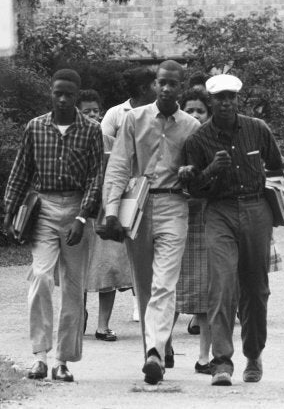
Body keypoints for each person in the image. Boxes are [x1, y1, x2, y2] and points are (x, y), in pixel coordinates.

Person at [102, 60, 201, 385]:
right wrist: (112, 211)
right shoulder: (134, 119)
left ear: (180, 87)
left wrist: (192, 175)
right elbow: (118, 167)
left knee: (164, 281)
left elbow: (198, 174)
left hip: (174, 203)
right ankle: (160, 343)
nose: (167, 88)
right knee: (144, 284)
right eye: (162, 82)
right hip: (138, 205)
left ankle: (154, 354)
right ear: (155, 84)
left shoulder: (191, 127)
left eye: (173, 83)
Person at [3, 69, 104, 382]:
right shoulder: (35, 127)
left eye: (69, 94)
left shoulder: (90, 130)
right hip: (43, 207)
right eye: (57, 92)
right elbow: (21, 169)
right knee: (42, 278)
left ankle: (62, 360)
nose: (62, 98)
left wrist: (83, 216)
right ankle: (40, 357)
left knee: (74, 289)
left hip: (76, 209)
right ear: (51, 93)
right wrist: (10, 211)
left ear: (76, 96)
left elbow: (95, 177)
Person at [183, 74, 283, 386]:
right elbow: (193, 189)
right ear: (210, 101)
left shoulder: (257, 129)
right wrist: (212, 169)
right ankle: (222, 361)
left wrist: (277, 207)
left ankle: (253, 353)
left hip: (256, 209)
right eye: (219, 98)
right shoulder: (197, 140)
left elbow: (278, 169)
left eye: (231, 97)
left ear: (238, 98)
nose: (226, 103)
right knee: (222, 284)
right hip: (219, 211)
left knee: (255, 287)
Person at [101, 66, 157, 322]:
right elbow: (104, 146)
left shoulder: (160, 112)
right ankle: (139, 300)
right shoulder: (116, 113)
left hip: (153, 185)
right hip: (127, 189)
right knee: (133, 247)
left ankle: (148, 301)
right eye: (155, 83)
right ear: (144, 87)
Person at [76, 90, 132, 342]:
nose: (91, 116)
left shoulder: (111, 142)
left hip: (107, 211)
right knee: (79, 268)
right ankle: (79, 314)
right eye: (85, 111)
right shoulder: (72, 142)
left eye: (94, 112)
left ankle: (103, 324)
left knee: (108, 267)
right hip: (80, 212)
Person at [166, 88, 213, 374]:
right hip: (176, 217)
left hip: (206, 219)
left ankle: (205, 356)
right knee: (170, 288)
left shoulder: (212, 141)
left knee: (206, 291)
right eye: (190, 110)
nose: (195, 115)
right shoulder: (172, 142)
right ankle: (163, 343)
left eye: (201, 111)